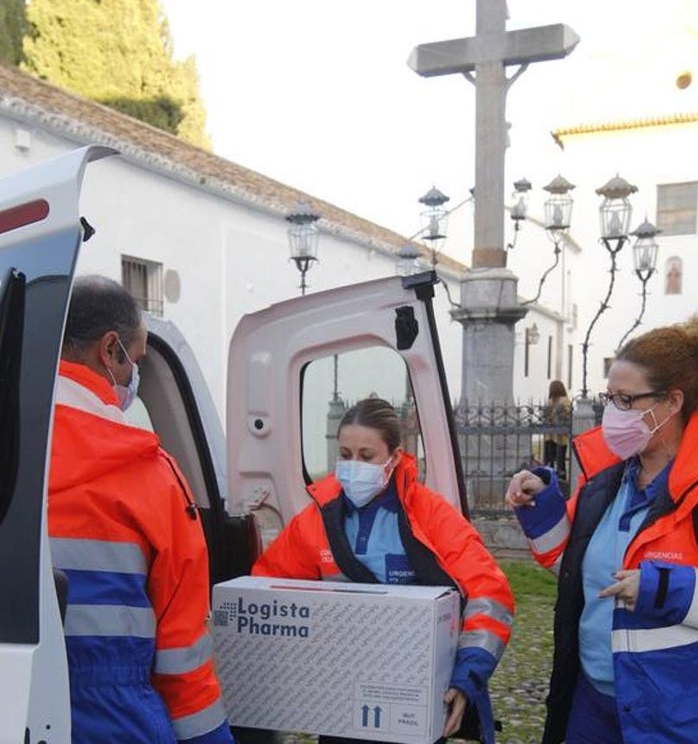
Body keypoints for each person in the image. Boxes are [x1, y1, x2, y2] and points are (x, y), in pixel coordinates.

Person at [504, 314, 698, 744]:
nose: (612, 412)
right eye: (609, 398)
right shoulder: (608, 482)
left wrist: (666, 589)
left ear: (672, 403)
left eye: (626, 400)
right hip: (595, 703)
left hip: (689, 716)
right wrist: (540, 504)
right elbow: (573, 568)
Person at [252, 397, 514, 744]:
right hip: (340, 692)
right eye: (345, 455)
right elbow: (268, 588)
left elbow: (490, 594)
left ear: (393, 457)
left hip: (415, 690)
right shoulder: (317, 519)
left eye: (366, 456)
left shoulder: (431, 514)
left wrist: (467, 676)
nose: (353, 465)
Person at [49, 276, 234, 744]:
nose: (136, 374)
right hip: (113, 719)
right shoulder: (147, 476)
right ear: (111, 352)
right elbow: (182, 658)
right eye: (139, 359)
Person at [542, 379, 572, 480]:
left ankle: (550, 478)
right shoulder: (560, 400)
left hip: (554, 436)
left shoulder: (556, 401)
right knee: (559, 460)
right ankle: (559, 479)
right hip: (556, 436)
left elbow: (546, 416)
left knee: (553, 460)